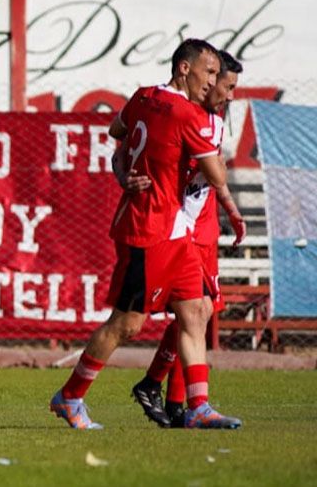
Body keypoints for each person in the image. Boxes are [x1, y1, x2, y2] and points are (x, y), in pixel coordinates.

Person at [49, 39, 243, 430]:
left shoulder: (144, 96)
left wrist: (126, 173)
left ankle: (198, 407)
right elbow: (217, 175)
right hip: (150, 228)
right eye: (208, 71)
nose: (213, 81)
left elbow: (116, 129)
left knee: (194, 313)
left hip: (176, 230)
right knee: (128, 324)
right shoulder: (186, 114)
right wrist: (207, 148)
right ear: (184, 69)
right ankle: (70, 396)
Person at [127, 51, 245, 428]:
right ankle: (173, 397)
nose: (225, 92)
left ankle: (175, 400)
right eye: (221, 83)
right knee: (186, 313)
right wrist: (123, 174)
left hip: (202, 223)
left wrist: (230, 208)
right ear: (197, 76)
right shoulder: (183, 114)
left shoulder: (212, 119)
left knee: (197, 313)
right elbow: (123, 137)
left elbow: (214, 179)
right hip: (180, 228)